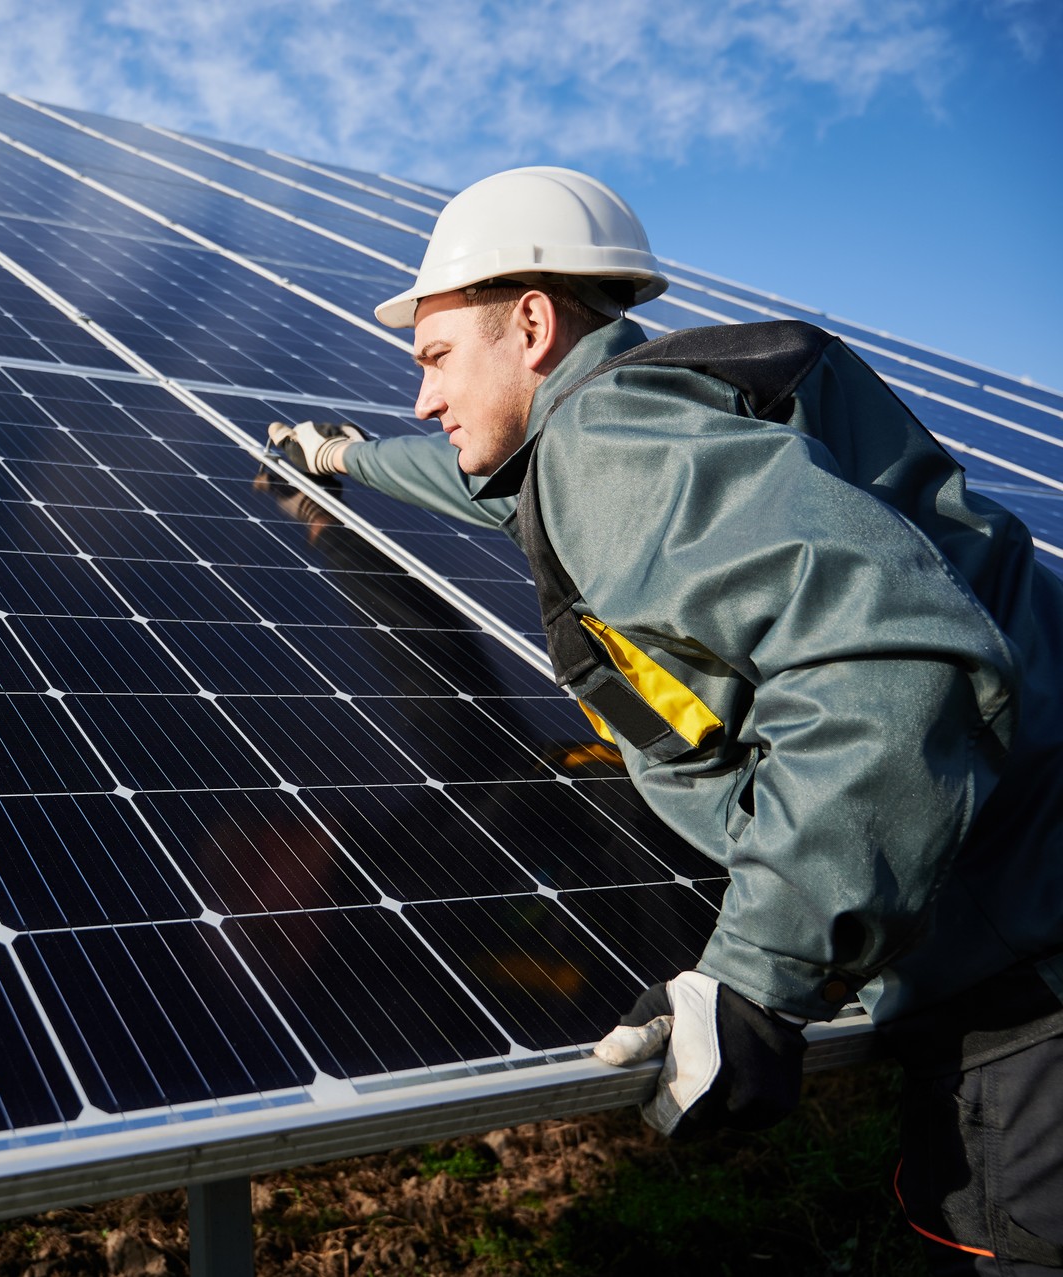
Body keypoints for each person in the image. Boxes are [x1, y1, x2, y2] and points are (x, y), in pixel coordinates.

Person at [265, 166, 1063, 1274]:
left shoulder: (614, 449)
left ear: (533, 325)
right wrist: (346, 460)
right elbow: (485, 483)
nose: (422, 399)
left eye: (436, 359)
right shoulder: (628, 422)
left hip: (1032, 976)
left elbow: (890, 664)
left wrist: (753, 972)